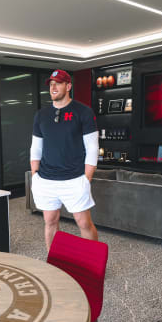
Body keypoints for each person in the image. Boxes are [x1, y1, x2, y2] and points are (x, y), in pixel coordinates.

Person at [30, 69, 99, 249]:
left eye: (58, 83)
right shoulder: (41, 115)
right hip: (45, 179)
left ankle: (91, 263)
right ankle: (54, 263)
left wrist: (87, 178)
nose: (53, 87)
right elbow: (36, 147)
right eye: (51, 84)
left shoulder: (83, 112)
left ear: (68, 86)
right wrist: (35, 174)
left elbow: (92, 148)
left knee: (84, 223)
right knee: (50, 221)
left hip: (74, 179)